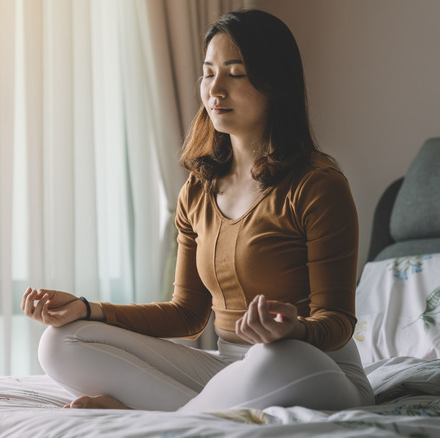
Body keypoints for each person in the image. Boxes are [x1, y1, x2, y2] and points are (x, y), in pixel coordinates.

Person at [20, 9, 375, 413]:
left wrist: (294, 329)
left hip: (312, 365)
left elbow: (338, 322)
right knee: (61, 341)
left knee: (276, 356)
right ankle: (198, 412)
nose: (215, 89)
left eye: (236, 73)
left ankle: (159, 415)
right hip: (227, 371)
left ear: (275, 83)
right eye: (208, 73)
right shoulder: (198, 190)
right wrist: (87, 309)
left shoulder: (318, 184)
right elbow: (188, 314)